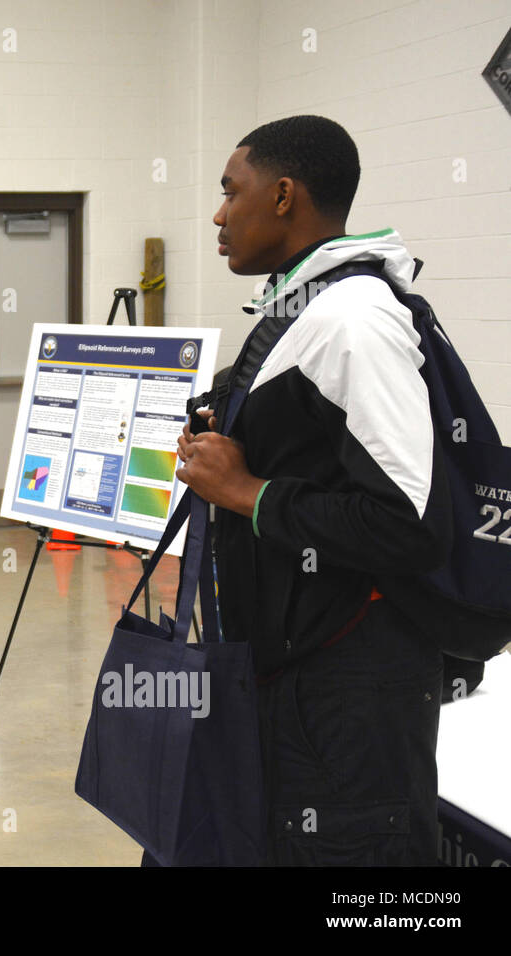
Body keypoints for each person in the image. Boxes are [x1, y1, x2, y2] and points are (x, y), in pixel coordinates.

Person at [176, 115, 452, 865]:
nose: (218, 215)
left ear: (285, 194)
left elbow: (410, 520)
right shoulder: (302, 307)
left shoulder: (353, 318)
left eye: (231, 192)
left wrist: (246, 490)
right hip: (293, 672)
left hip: (349, 693)